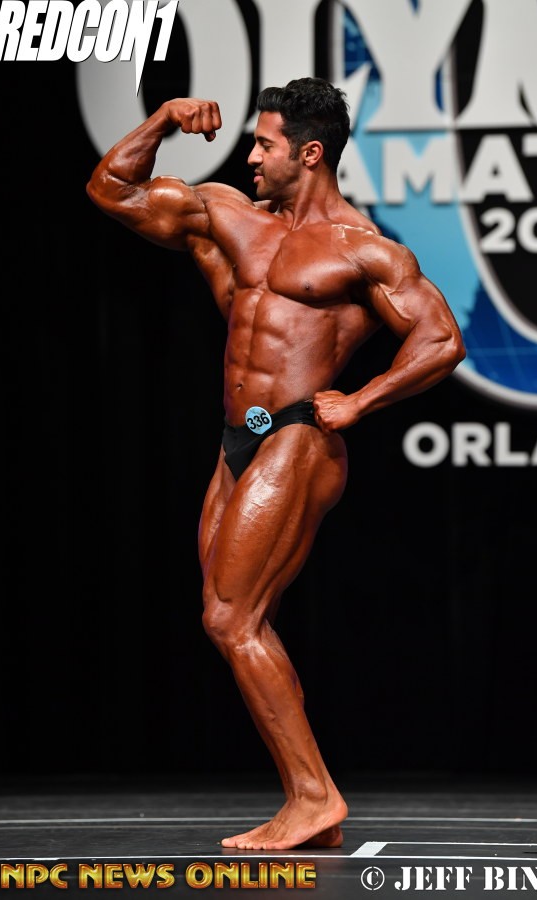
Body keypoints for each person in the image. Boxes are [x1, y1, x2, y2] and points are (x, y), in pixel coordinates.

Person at [86, 76, 466, 851]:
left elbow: (440, 340)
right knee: (234, 620)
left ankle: (314, 796)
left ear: (310, 153)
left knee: (231, 617)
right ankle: (310, 800)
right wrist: (162, 119)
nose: (250, 157)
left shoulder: (363, 248)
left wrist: (360, 401)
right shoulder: (229, 216)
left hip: (298, 436)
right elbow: (110, 190)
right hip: (239, 440)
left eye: (265, 145)